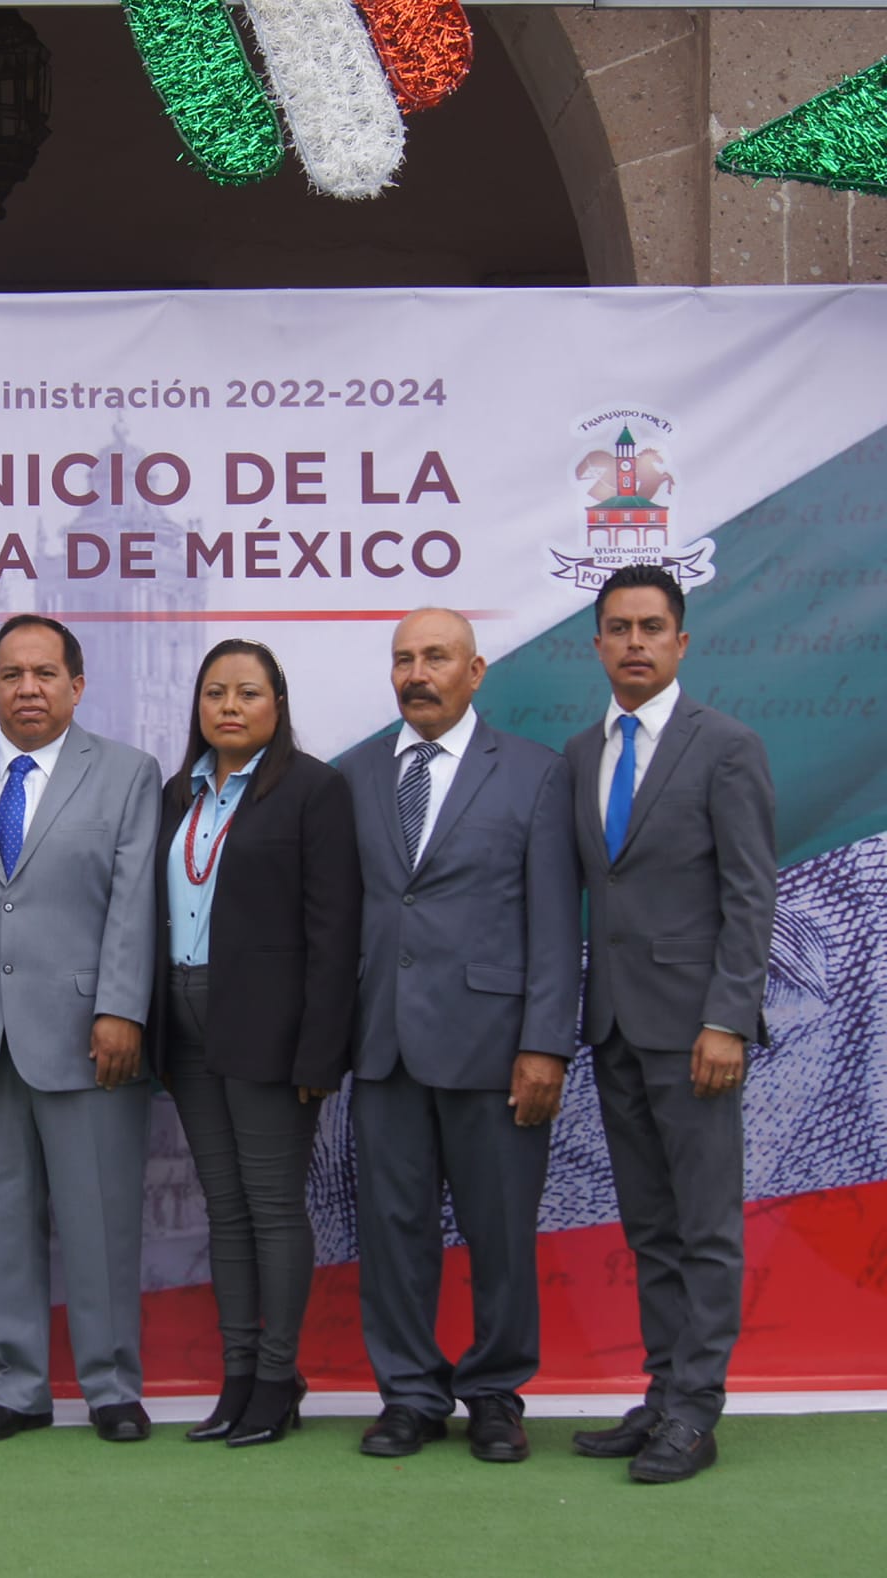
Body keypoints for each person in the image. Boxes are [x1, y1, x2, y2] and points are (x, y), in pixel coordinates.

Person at [337, 607, 580, 1464]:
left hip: (496, 1046)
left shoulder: (535, 774)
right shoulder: (358, 774)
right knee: (392, 1232)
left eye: (437, 657)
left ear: (476, 672)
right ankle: (408, 1394)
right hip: (383, 1045)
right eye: (404, 659)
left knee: (501, 1230)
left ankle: (495, 1395)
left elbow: (555, 921)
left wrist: (547, 1042)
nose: (418, 673)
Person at [0, 614, 161, 1444]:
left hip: (91, 1037)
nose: (29, 688)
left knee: (99, 1218)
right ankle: (17, 1386)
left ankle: (111, 1386)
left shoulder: (129, 773)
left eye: (46, 673)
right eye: (12, 674)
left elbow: (134, 903)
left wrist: (121, 1009)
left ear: (77, 685)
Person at [564, 565, 776, 1484]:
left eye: (653, 627)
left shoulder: (724, 746)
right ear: (599, 644)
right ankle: (661, 1395)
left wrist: (728, 1018)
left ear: (681, 643)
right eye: (620, 628)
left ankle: (697, 1410)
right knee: (650, 1227)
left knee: (705, 1227)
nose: (636, 642)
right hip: (613, 1027)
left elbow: (749, 893)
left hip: (697, 1037)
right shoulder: (584, 754)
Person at [149, 639, 360, 1447]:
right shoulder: (177, 795)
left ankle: (279, 1377)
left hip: (272, 1031)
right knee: (225, 1210)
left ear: (277, 704)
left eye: (247, 692)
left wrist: (320, 1051)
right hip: (187, 1023)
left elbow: (334, 933)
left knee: (273, 1209)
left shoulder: (315, 790)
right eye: (214, 693)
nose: (229, 707)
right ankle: (236, 1377)